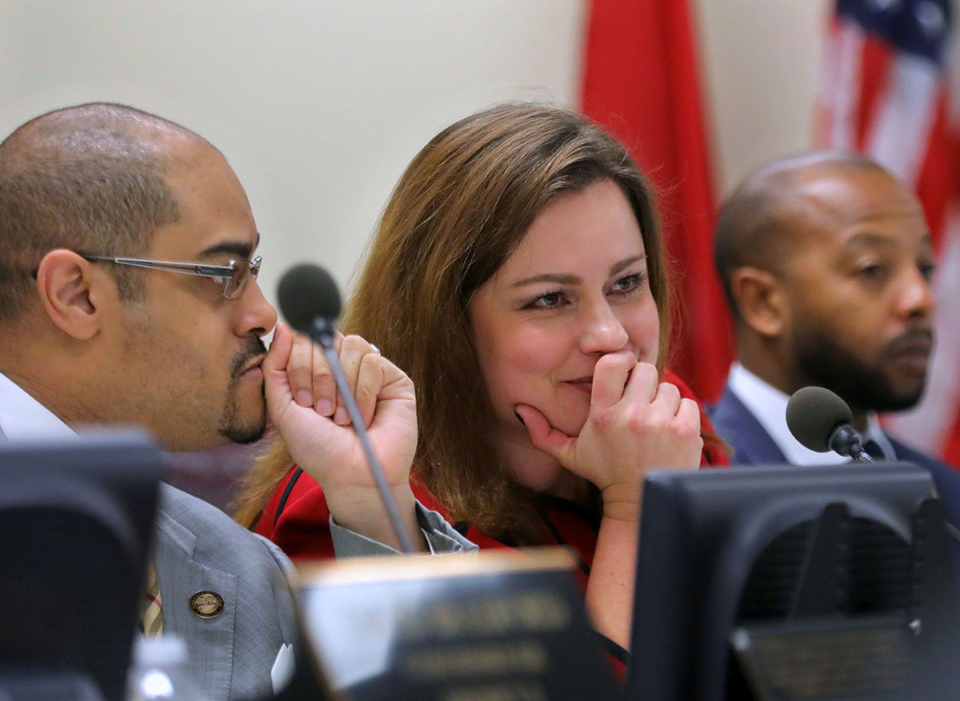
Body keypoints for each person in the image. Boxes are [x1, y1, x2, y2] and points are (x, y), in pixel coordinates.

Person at [0, 103, 473, 700]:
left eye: (252, 269)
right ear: (78, 296)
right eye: (221, 273)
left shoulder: (242, 566)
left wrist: (370, 497)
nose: (262, 313)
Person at [234, 102, 729, 652]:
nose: (610, 335)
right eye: (549, 299)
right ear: (447, 323)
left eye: (627, 283)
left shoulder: (658, 421)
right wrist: (636, 508)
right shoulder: (359, 501)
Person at [709, 150, 960, 528]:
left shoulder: (946, 496)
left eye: (925, 268)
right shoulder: (694, 485)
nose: (921, 298)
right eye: (872, 269)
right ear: (762, 302)